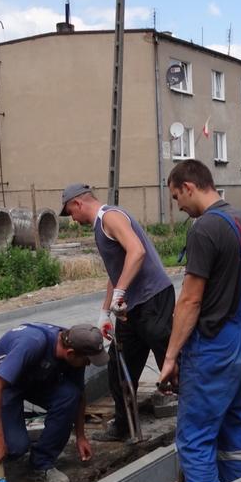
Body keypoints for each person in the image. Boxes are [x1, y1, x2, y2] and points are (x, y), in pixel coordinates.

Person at [158, 160, 241, 482]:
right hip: (240, 338)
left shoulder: (205, 229)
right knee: (234, 429)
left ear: (188, 186)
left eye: (175, 197)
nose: (177, 206)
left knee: (196, 438)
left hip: (213, 345)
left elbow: (190, 301)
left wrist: (170, 358)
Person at [60, 183, 175, 443]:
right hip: (130, 308)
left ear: (78, 203)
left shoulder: (110, 217)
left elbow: (137, 251)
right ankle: (125, 426)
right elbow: (117, 271)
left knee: (170, 362)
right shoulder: (100, 228)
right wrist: (105, 313)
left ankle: (197, 419)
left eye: (70, 212)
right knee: (119, 366)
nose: (73, 220)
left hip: (153, 298)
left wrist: (121, 292)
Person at [0, 323, 107, 482]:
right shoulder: (32, 344)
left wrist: (81, 436)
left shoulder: (75, 346)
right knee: (16, 446)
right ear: (70, 353)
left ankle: (41, 463)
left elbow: (79, 396)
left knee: (69, 395)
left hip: (32, 379)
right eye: (87, 360)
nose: (88, 364)